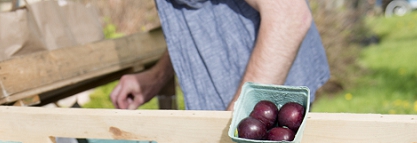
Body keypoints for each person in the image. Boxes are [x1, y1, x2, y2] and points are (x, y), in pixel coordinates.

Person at [111, 0, 330, 111]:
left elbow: (288, 16)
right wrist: (158, 75)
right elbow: (199, 19)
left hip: (264, 106)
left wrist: (241, 117)